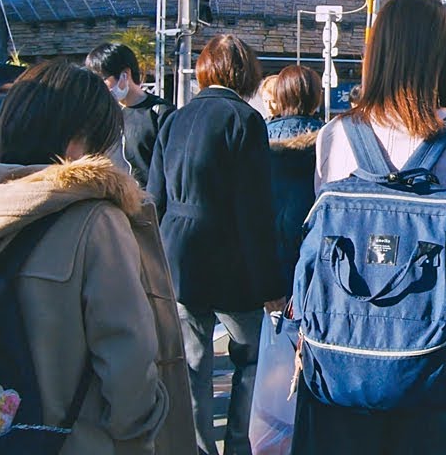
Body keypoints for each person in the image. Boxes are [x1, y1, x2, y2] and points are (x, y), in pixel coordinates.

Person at [0, 60, 193, 453]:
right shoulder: (94, 221)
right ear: (78, 142)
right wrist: (139, 433)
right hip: (68, 441)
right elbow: (127, 360)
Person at [294, 0, 446, 454]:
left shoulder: (334, 135)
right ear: (445, 56)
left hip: (341, 342)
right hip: (435, 349)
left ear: (377, 53)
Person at [148, 34, 285, 455]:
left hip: (178, 258)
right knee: (251, 360)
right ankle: (239, 445)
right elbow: (255, 209)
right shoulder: (244, 121)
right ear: (246, 73)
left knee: (191, 366)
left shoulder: (174, 118)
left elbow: (154, 198)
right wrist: (271, 286)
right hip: (231, 261)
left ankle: (196, 448)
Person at [265, 64, 325, 291]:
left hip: (268, 239)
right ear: (315, 98)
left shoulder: (260, 133)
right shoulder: (329, 136)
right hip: (312, 238)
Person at [85, 42, 175, 188]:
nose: (98, 87)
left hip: (149, 203)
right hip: (113, 202)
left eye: (102, 79)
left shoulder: (160, 112)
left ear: (124, 74)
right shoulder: (102, 114)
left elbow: (171, 167)